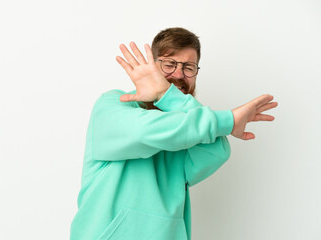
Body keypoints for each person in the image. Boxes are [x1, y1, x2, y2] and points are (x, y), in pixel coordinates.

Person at [69, 27, 278, 240]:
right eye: (169, 64)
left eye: (189, 67)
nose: (178, 74)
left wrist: (167, 96)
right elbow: (146, 132)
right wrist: (229, 120)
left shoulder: (190, 133)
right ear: (153, 66)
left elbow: (218, 149)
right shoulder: (114, 103)